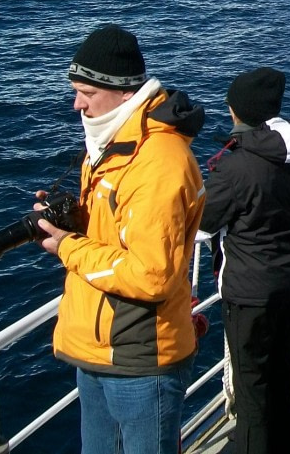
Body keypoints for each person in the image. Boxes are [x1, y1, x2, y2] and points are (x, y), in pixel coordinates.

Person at [36, 24, 205, 454]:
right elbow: (119, 227)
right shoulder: (116, 146)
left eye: (86, 94)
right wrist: (74, 221)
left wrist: (67, 246)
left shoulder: (158, 162)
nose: (76, 104)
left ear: (124, 94)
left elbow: (151, 276)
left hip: (140, 359)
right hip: (98, 349)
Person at [200, 67, 290, 454]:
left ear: (239, 112)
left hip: (249, 291)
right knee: (284, 368)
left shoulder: (234, 166)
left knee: (252, 386)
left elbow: (201, 227)